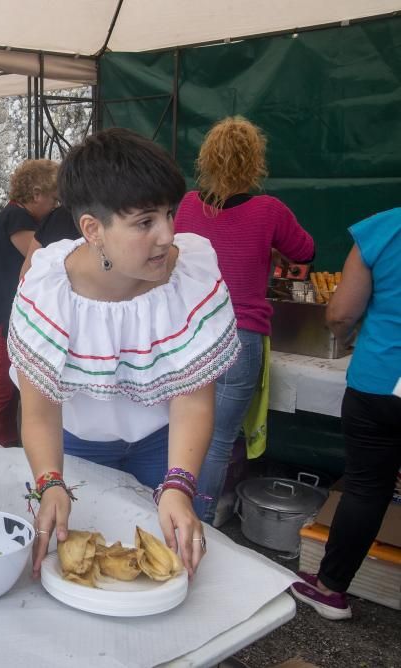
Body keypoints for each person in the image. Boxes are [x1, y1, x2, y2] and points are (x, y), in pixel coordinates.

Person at [10, 128, 242, 577]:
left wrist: (179, 483)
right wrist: (49, 482)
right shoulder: (47, 289)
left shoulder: (189, 276)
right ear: (93, 230)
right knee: (82, 563)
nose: (167, 235)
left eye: (170, 214)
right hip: (74, 445)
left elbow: (192, 397)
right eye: (144, 222)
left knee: (162, 564)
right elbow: (38, 412)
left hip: (163, 445)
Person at [175, 116, 314, 524]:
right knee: (219, 440)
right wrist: (269, 255)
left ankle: (170, 511)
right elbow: (305, 252)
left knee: (179, 428)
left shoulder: (185, 205)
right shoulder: (269, 211)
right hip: (242, 336)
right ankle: (197, 522)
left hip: (189, 336)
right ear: (255, 162)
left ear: (207, 159)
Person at [291, 207, 401, 620]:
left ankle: (330, 590)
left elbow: (340, 313)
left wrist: (348, 337)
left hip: (380, 381)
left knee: (366, 489)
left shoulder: (383, 229)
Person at [0, 159, 59, 446]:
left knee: (9, 386)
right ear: (36, 195)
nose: (56, 205)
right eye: (54, 198)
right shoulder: (17, 219)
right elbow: (41, 260)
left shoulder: (15, 215)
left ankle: (6, 445)